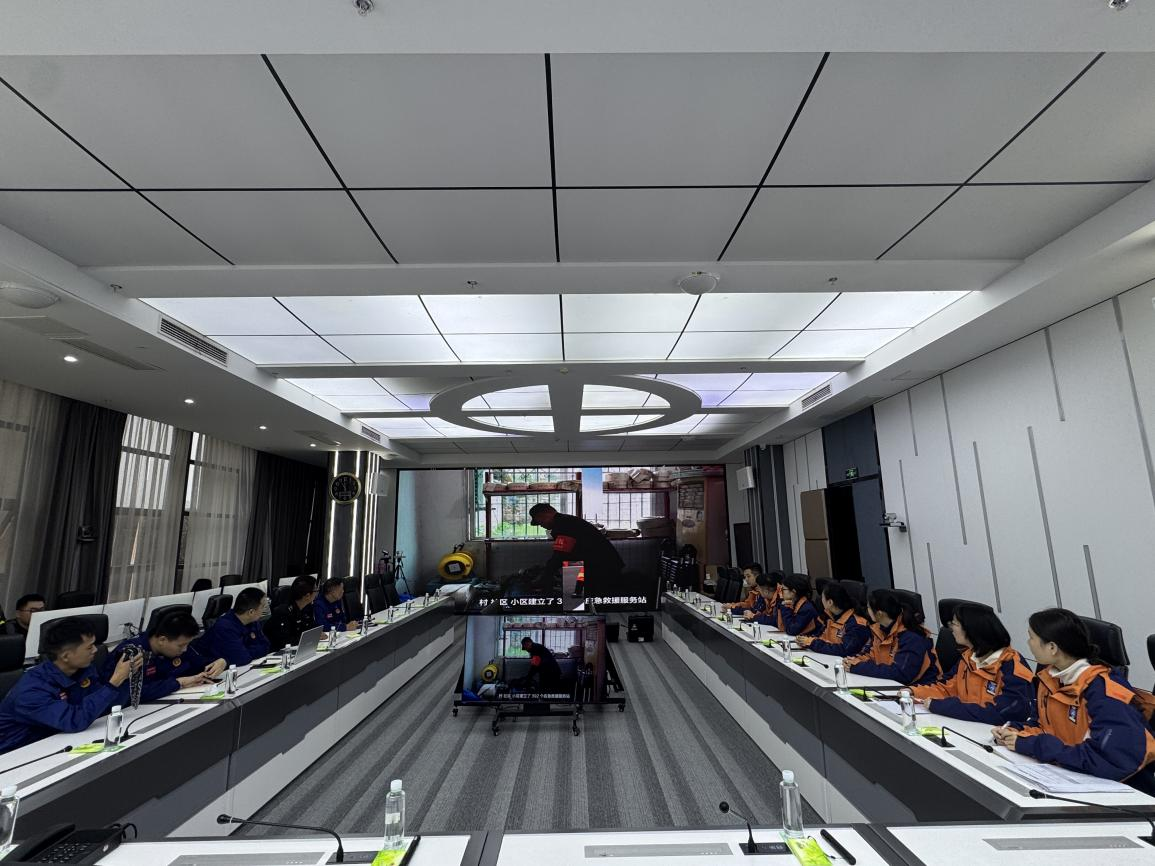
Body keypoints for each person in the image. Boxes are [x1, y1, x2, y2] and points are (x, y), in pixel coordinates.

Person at [992, 608, 1155, 793]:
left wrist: (1031, 745)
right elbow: (1044, 726)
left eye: (1031, 637)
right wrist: (1015, 731)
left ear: (1052, 648)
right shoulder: (1051, 679)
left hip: (1124, 794)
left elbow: (1108, 759)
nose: (1028, 643)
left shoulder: (1105, 691)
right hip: (1073, 777)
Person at [0, 617, 141, 753]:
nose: (95, 650)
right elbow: (74, 720)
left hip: (58, 741)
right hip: (15, 754)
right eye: (89, 647)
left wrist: (124, 678)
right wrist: (115, 681)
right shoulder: (32, 690)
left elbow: (104, 708)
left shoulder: (83, 671)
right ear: (66, 656)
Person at [911, 605, 1034, 724]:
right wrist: (912, 692)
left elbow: (1002, 713)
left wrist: (942, 706)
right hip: (967, 726)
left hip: (994, 733)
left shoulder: (1012, 666)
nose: (951, 628)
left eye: (954, 624)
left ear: (971, 629)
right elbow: (946, 688)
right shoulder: (968, 658)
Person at [102, 612, 226, 702]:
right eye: (181, 645)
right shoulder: (132, 654)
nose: (185, 649)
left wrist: (221, 662)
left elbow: (198, 663)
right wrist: (178, 683)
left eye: (187, 644)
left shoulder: (176, 648)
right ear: (162, 640)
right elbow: (132, 694)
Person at [845, 589, 940, 686]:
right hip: (890, 684)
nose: (867, 610)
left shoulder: (912, 637)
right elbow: (871, 655)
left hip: (920, 688)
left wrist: (859, 667)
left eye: (868, 607)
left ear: (879, 613)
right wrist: (853, 661)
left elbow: (901, 674)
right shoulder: (879, 629)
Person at [529, 503, 625, 598]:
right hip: (601, 565)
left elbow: (561, 554)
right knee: (577, 598)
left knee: (583, 601)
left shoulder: (564, 525)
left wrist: (545, 575)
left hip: (601, 568)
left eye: (539, 521)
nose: (540, 525)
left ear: (545, 515)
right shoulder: (566, 521)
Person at [197, 588, 273, 667]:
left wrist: (246, 651)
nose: (264, 609)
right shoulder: (225, 627)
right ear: (251, 612)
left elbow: (266, 646)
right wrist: (250, 651)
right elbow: (242, 658)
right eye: (262, 607)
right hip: (209, 669)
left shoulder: (253, 622)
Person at [795, 582, 870, 656]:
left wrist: (813, 643)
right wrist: (806, 640)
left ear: (830, 602)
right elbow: (820, 636)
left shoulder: (857, 624)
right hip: (828, 658)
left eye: (822, 597)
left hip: (844, 661)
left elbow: (845, 650)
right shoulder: (830, 615)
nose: (821, 599)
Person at [264, 577, 317, 651]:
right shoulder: (282, 612)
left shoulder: (307, 608)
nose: (317, 593)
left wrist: (316, 634)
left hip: (300, 648)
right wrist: (310, 637)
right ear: (307, 596)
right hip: (279, 652)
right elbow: (284, 641)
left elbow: (311, 627)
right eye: (316, 590)